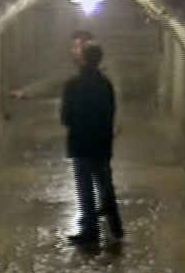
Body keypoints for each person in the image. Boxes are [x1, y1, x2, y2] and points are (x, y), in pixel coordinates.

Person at [60, 43, 123, 244]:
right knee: (105, 184)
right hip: (101, 141)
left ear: (83, 59)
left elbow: (65, 117)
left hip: (81, 142)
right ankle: (116, 227)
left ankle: (90, 229)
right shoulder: (105, 84)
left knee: (85, 188)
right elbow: (110, 111)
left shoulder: (73, 85)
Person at [7, 30, 91, 101]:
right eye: (73, 47)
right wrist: (24, 92)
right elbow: (48, 83)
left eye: (76, 47)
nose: (73, 51)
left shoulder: (97, 68)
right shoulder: (69, 69)